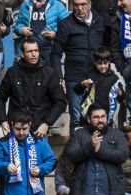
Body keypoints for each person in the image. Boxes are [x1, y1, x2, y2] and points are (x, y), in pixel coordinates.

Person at [0, 37, 66, 141]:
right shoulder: (12, 73)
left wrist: (47, 123)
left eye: (36, 50)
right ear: (22, 54)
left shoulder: (49, 73)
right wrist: (2, 120)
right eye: (30, 51)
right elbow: (0, 98)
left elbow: (61, 102)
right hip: (16, 130)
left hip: (38, 131)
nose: (34, 54)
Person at [52, 0, 107, 132]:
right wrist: (60, 77)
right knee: (76, 120)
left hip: (97, 76)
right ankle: (76, 151)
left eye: (83, 4)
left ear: (90, 4)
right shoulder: (65, 24)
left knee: (99, 119)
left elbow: (106, 49)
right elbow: (55, 54)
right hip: (74, 78)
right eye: (76, 5)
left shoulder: (100, 21)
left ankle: (97, 151)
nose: (79, 8)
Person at [74, 47, 124, 126]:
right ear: (94, 62)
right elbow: (76, 90)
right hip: (89, 116)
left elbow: (121, 98)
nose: (102, 66)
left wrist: (121, 94)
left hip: (106, 117)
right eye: (99, 63)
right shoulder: (88, 74)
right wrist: (82, 84)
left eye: (105, 63)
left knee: (106, 137)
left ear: (109, 62)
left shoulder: (114, 78)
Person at [15, 0, 68, 65]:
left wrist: (55, 34)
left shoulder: (57, 5)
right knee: (29, 73)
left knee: (49, 73)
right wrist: (21, 29)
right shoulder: (25, 4)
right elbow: (18, 24)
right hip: (30, 47)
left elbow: (66, 27)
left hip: (49, 47)